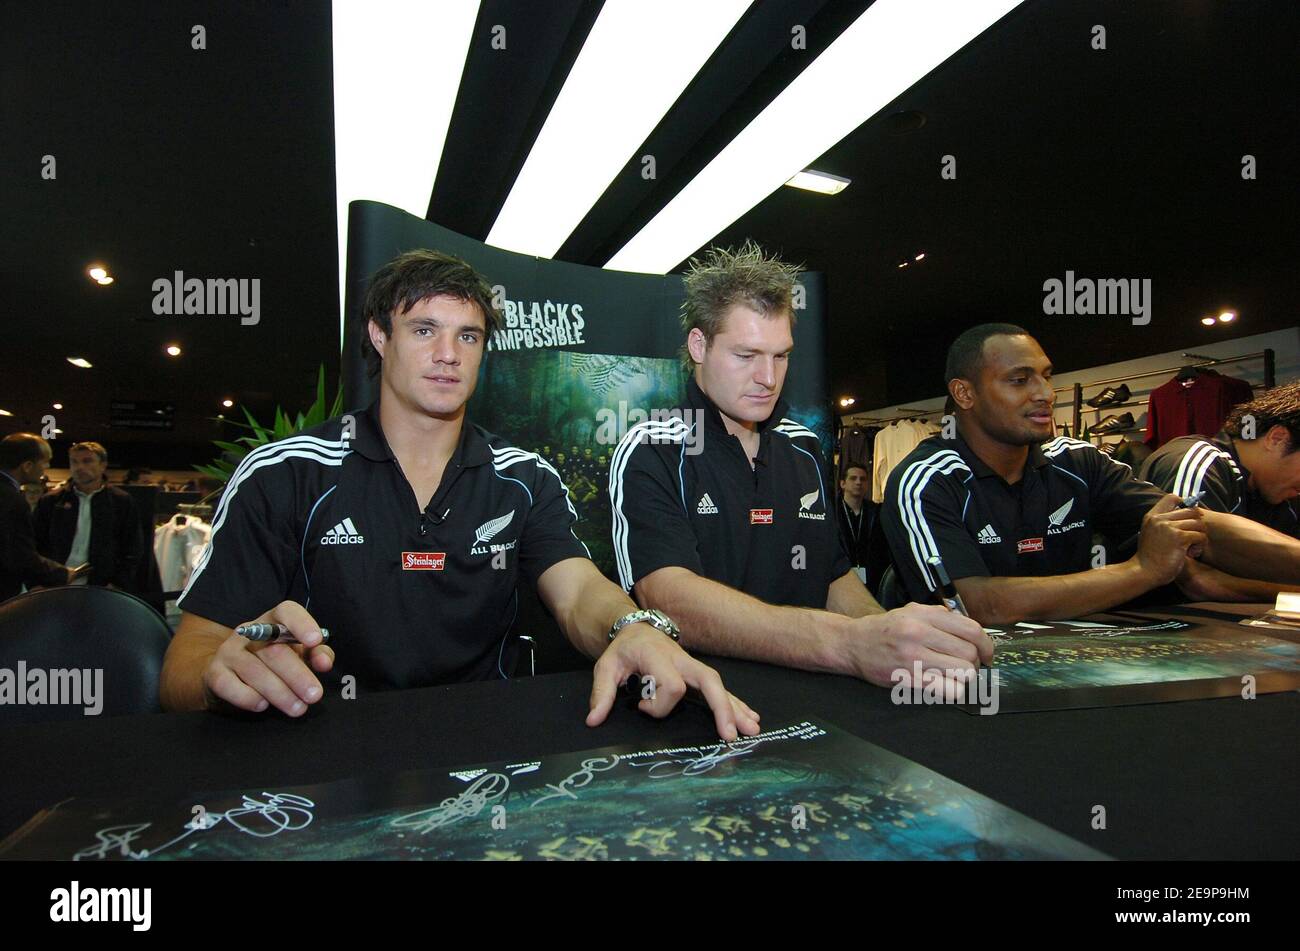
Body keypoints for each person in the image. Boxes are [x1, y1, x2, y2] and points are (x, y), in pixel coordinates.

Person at [160, 249, 758, 740]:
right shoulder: (284, 473)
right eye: (424, 330)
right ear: (378, 335)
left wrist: (632, 625)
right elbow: (186, 664)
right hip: (321, 744)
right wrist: (221, 677)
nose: (448, 354)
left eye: (468, 336)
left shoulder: (524, 478)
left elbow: (577, 592)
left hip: (484, 753)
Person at [609, 242, 990, 689]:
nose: (768, 378)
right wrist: (848, 643)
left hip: (818, 690)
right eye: (746, 356)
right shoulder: (653, 447)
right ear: (699, 345)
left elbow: (830, 573)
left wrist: (883, 634)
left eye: (781, 355)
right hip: (701, 703)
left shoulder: (804, 446)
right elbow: (668, 599)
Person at [881, 324, 1300, 625]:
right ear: (965, 393)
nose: (1045, 394)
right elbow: (977, 605)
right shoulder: (926, 478)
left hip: (1078, 662)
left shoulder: (1078, 461)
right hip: (969, 682)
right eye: (1019, 380)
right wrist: (1141, 571)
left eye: (1046, 376)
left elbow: (1195, 526)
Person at [33, 441, 142, 590]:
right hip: (53, 584)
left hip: (100, 587)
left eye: (87, 461)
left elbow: (132, 547)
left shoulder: (121, 501)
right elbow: (35, 543)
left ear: (103, 465)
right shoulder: (50, 501)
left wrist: (118, 584)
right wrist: (35, 583)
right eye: (74, 462)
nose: (79, 467)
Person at [0, 433, 82, 600]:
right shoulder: (13, 501)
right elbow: (19, 554)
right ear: (27, 466)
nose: (46, 468)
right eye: (44, 463)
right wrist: (61, 574)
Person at [836, 463, 872, 584]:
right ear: (842, 483)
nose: (858, 482)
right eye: (853, 478)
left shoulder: (875, 512)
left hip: (871, 578)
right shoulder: (832, 512)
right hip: (840, 577)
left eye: (863, 479)